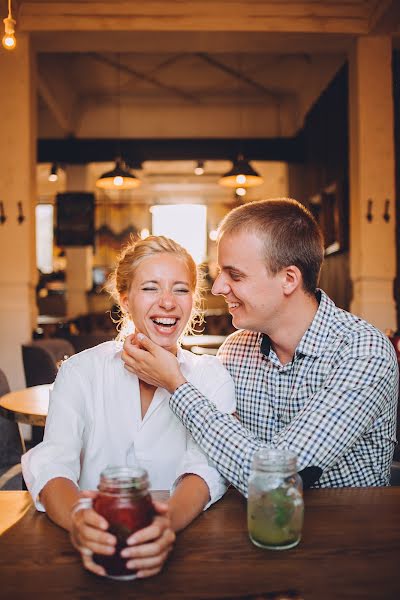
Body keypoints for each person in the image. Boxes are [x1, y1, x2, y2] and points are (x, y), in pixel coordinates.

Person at [122, 198, 399, 494]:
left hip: (348, 535)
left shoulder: (364, 352)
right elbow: (215, 460)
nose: (217, 288)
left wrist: (176, 384)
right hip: (246, 529)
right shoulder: (235, 350)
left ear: (289, 279)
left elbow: (276, 480)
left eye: (235, 275)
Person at [22, 235, 235, 578]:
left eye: (180, 289)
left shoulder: (212, 377)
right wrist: (77, 518)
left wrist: (167, 522)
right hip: (94, 548)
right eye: (151, 288)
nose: (168, 302)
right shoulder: (81, 371)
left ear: (193, 302)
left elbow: (206, 468)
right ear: (126, 299)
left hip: (189, 553)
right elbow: (54, 461)